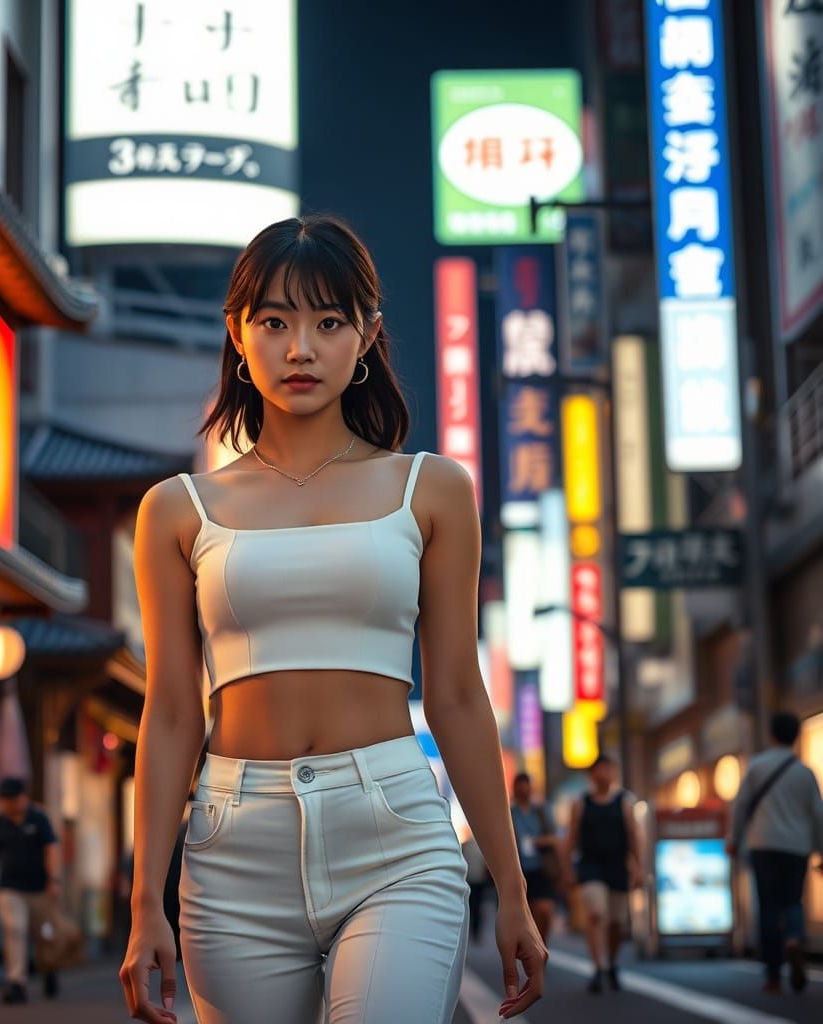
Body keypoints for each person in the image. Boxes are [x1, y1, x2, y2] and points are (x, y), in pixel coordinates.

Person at [119, 214, 547, 1024]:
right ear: (237, 335)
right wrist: (147, 902)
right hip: (232, 847)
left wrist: (514, 888)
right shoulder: (176, 509)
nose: (300, 348)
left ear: (367, 335)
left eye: (328, 321)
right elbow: (172, 709)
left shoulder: (433, 489)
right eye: (274, 322)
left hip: (394, 836)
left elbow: (456, 694)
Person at [726, 711, 823, 994]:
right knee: (793, 900)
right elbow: (818, 814)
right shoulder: (805, 773)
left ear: (772, 734)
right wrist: (821, 850)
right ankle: (794, 938)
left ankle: (772, 975)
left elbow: (741, 806)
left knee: (768, 906)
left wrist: (734, 838)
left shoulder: (757, 766)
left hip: (763, 844)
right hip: (796, 846)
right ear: (796, 736)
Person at [563, 754, 641, 994]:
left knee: (617, 923)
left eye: (608, 768)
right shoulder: (581, 802)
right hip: (590, 865)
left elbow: (633, 835)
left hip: (617, 865)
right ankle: (598, 966)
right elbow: (572, 837)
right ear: (591, 775)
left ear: (614, 772)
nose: (604, 774)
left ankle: (612, 963)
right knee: (596, 913)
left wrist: (638, 866)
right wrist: (567, 868)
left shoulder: (625, 801)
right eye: (599, 769)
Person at [0, 777, 60, 1004]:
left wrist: (54, 880)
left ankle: (48, 969)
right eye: (4, 800)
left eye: (11, 799)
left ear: (22, 798)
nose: (7, 804)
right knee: (15, 929)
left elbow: (51, 849)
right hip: (10, 889)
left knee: (44, 934)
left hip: (39, 890)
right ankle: (16, 982)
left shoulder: (39, 818)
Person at [509, 773, 558, 942]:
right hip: (518, 870)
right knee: (524, 916)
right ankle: (530, 948)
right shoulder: (509, 812)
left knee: (545, 910)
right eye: (519, 786)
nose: (523, 790)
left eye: (526, 785)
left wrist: (539, 842)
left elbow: (555, 837)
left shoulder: (542, 811)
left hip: (541, 868)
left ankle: (541, 944)